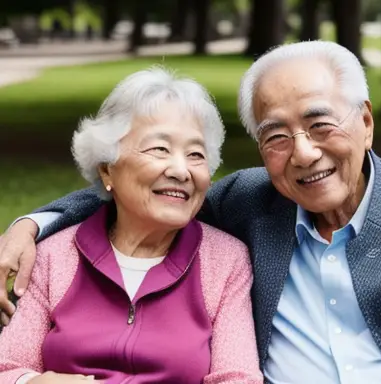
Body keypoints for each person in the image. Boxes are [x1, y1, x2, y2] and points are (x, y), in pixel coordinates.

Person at [0, 41, 381, 383]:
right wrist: (33, 225)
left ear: (366, 122)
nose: (303, 153)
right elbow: (137, 196)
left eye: (320, 124)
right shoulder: (250, 202)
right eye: (276, 135)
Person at [0, 67, 262, 384]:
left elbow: (237, 378)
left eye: (195, 154)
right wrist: (32, 382)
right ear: (108, 170)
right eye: (159, 149)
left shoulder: (226, 260)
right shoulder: (53, 256)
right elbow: (7, 366)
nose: (181, 170)